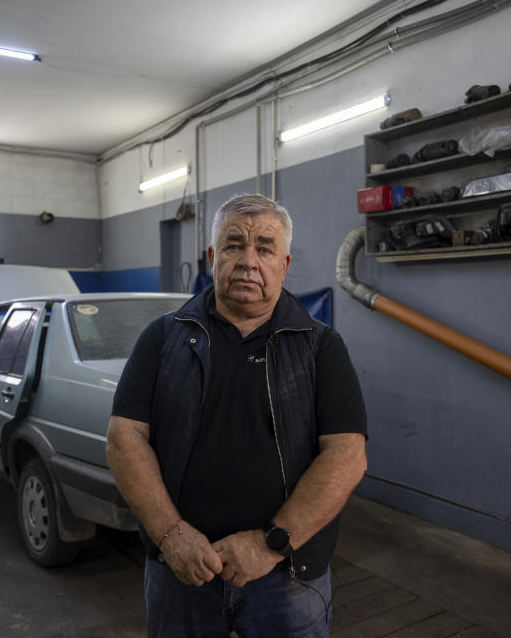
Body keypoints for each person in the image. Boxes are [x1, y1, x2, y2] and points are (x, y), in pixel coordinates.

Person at [106, 194, 368, 638]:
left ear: (283, 265)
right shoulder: (162, 339)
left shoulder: (320, 348)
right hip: (181, 571)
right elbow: (124, 438)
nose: (249, 261)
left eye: (264, 248)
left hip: (286, 577)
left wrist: (271, 544)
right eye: (233, 245)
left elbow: (347, 457)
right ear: (212, 258)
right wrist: (171, 537)